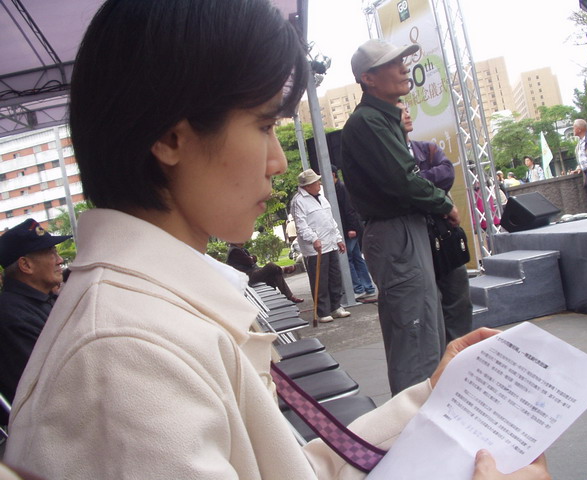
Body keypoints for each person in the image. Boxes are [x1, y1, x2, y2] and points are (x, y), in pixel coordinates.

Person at [4, 2, 551, 479]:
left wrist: (429, 398)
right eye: (265, 126)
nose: (279, 162)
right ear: (171, 137)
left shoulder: (147, 319)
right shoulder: (125, 356)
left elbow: (285, 468)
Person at [340, 39, 460, 396]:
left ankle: (425, 416)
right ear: (368, 78)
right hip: (396, 233)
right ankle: (415, 422)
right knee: (415, 336)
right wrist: (443, 203)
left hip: (402, 232)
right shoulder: (369, 122)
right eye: (394, 63)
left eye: (403, 60)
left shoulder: (380, 119)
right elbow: (403, 181)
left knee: (425, 332)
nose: (404, 67)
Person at [397, 101, 472, 344]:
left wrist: (415, 183)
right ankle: (438, 356)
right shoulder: (389, 158)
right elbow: (399, 189)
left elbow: (447, 173)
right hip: (411, 237)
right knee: (425, 305)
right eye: (400, 111)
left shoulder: (426, 148)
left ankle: (460, 351)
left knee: (458, 296)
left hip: (443, 233)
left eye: (408, 110)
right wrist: (419, 186)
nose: (407, 115)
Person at [0, 219, 70, 424]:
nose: (60, 260)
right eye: (51, 253)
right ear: (26, 265)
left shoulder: (45, 300)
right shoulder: (11, 315)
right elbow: (51, 386)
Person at [290, 169, 350, 323]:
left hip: (330, 243)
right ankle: (323, 311)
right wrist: (313, 239)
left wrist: (338, 238)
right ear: (308, 186)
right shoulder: (298, 201)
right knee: (320, 280)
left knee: (335, 277)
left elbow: (330, 220)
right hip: (314, 248)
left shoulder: (321, 197)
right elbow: (301, 225)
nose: (319, 184)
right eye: (316, 182)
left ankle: (336, 306)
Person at [331, 165, 376, 300]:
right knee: (356, 257)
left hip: (349, 228)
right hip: (349, 228)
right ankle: (368, 287)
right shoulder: (337, 188)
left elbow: (349, 209)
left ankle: (358, 287)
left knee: (348, 258)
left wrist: (351, 228)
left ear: (333, 174)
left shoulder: (340, 188)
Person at [226, 243, 303, 303]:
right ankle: (283, 270)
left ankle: (290, 296)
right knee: (271, 265)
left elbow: (252, 259)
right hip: (248, 277)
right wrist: (252, 258)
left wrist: (252, 258)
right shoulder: (234, 251)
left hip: (253, 272)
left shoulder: (241, 249)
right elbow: (250, 261)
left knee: (275, 272)